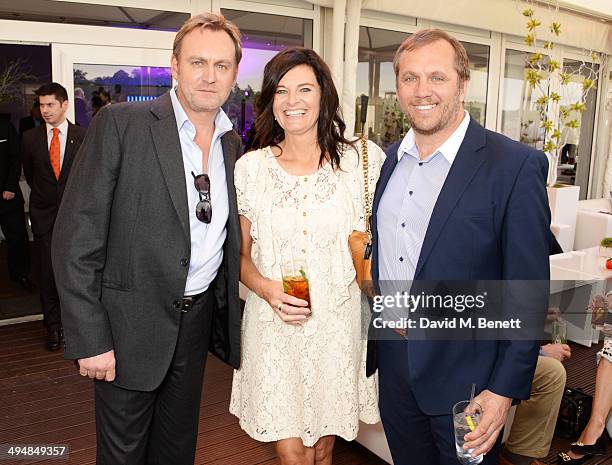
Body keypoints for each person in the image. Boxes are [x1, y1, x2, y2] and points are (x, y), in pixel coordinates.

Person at [52, 13, 243, 465]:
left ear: (234, 74)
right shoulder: (121, 124)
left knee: (177, 451)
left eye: (222, 65)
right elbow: (75, 239)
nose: (209, 75)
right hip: (125, 329)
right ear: (174, 66)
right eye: (198, 62)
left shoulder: (233, 146)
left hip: (193, 327)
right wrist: (91, 338)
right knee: (122, 455)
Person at [368, 29, 550, 465]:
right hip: (395, 367)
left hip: (468, 384)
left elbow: (527, 292)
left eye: (437, 77)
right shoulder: (389, 161)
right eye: (410, 78)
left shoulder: (514, 167)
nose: (422, 90)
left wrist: (503, 389)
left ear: (462, 84)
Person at [230, 46, 381, 465]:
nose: (292, 101)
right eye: (281, 91)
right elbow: (240, 257)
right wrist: (266, 288)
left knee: (323, 447)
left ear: (323, 95)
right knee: (292, 448)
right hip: (276, 323)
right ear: (270, 102)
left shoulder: (360, 162)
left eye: (304, 89)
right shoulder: (251, 169)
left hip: (339, 324)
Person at [21, 83, 86, 351]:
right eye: (41, 105)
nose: (44, 110)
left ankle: (75, 326)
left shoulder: (83, 136)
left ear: (64, 104)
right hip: (44, 215)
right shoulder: (30, 138)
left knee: (75, 272)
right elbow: (32, 174)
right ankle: (53, 327)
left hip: (76, 216)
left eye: (50, 105)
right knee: (47, 272)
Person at [0, 114, 33, 290]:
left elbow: (16, 158)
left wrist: (11, 187)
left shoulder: (5, 127)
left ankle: (21, 275)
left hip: (8, 196)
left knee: (17, 238)